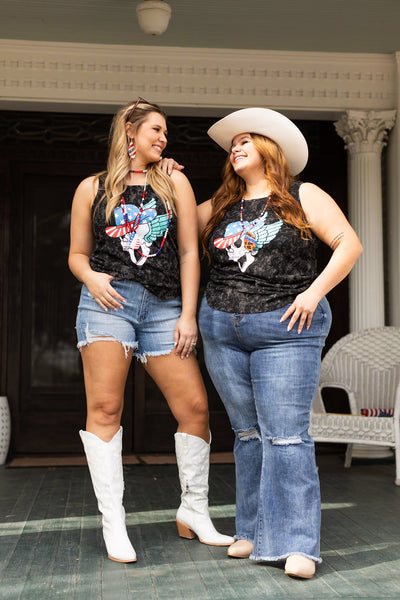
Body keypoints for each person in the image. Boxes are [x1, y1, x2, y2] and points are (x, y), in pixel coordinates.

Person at [196, 108, 363, 579]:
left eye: (246, 140)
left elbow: (348, 244)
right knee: (247, 435)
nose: (236, 147)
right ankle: (250, 530)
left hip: (285, 328)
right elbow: (173, 228)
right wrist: (162, 175)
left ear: (272, 149)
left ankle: (297, 545)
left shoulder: (301, 194)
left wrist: (313, 293)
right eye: (233, 144)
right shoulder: (222, 205)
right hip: (221, 328)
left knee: (286, 435)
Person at [68, 98, 233, 564]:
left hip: (164, 308)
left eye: (166, 132)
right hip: (108, 303)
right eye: (155, 130)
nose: (163, 138)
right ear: (129, 132)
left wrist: (187, 315)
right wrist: (90, 276)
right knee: (105, 407)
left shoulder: (174, 181)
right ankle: (113, 521)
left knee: (195, 408)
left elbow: (187, 253)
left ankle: (194, 511)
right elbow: (77, 254)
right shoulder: (92, 188)